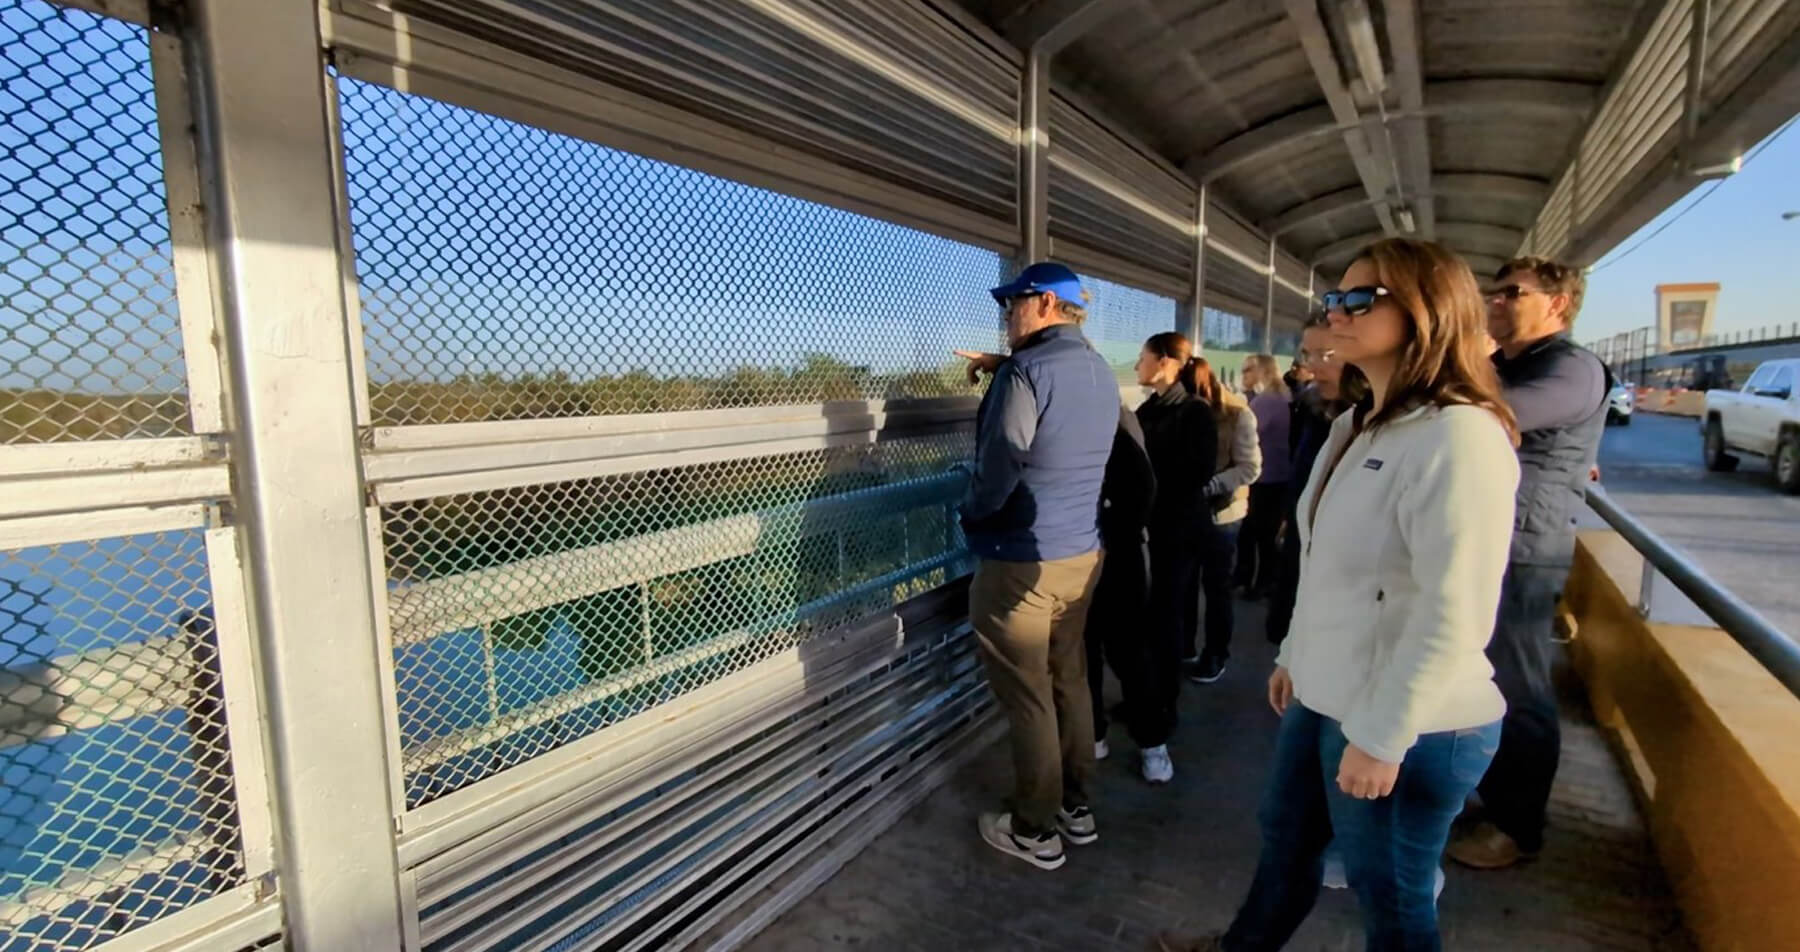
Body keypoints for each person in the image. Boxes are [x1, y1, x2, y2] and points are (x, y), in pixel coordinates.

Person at [1156, 238, 1521, 952]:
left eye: (1362, 299)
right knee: (1286, 845)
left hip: (1414, 723)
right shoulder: (1354, 425)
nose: (1338, 313)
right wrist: (1296, 652)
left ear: (1427, 311)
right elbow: (1326, 565)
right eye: (1334, 299)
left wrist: (1383, 737)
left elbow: (1455, 610)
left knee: (1391, 899)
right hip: (1329, 694)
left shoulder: (1461, 437)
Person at [953, 262, 1119, 872]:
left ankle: (1034, 829)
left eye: (1012, 305)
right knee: (1067, 681)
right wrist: (1009, 369)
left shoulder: (1026, 372)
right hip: (1081, 556)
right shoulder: (1100, 369)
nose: (1005, 316)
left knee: (1029, 699)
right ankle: (1078, 810)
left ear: (1045, 303)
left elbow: (1000, 469)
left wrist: (969, 516)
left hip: (1022, 564)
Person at [1446, 257, 1610, 871]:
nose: (1496, 301)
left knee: (1519, 685)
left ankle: (1519, 826)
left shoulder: (1570, 368)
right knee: (1479, 677)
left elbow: (1488, 415)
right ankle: (1487, 798)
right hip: (1487, 539)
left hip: (1526, 550)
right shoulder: (1503, 364)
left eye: (1512, 293)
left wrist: (1469, 357)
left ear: (1558, 304)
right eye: (1493, 291)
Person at [1128, 332, 1221, 782]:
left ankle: (1163, 708)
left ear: (1165, 362)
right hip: (1149, 532)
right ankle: (1146, 697)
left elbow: (1196, 472)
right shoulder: (1150, 409)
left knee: (1166, 620)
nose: (1136, 367)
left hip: (1175, 534)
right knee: (1146, 619)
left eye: (1142, 359)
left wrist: (1147, 486)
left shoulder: (1193, 412)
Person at [1084, 404, 1177, 783]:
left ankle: (1151, 743)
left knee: (1128, 653)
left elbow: (1142, 490)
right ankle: (1094, 733)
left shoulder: (1110, 426)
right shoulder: (1087, 422)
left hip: (1115, 560)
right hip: (1089, 559)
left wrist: (1111, 536)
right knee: (1086, 651)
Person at [1264, 317, 1365, 647]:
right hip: (1302, 562)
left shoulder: (1381, 430)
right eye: (1308, 355)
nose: (1313, 367)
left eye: (1327, 354)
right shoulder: (1318, 415)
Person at [1185, 358, 1260, 684]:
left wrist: (1209, 485)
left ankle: (1216, 654)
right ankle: (1184, 646)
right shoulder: (1181, 412)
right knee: (1186, 584)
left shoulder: (1237, 414)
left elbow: (1251, 468)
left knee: (1217, 588)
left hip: (1223, 515)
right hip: (1190, 513)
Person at [1235, 355, 1293, 600]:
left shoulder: (1266, 402)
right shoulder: (1281, 397)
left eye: (1248, 370)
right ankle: (1251, 577)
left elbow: (1247, 430)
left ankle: (1260, 582)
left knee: (1258, 534)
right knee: (1258, 532)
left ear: (1261, 372)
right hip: (1277, 475)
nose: (1243, 375)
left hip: (1265, 477)